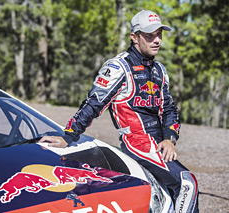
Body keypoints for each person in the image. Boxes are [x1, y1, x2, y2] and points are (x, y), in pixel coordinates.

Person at [39, 10, 199, 212]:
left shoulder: (159, 70)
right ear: (134, 37)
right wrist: (69, 136)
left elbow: (169, 109)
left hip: (159, 144)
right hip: (137, 143)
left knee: (165, 198)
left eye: (159, 34)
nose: (157, 40)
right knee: (188, 183)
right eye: (150, 36)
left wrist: (170, 138)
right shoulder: (118, 67)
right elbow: (93, 104)